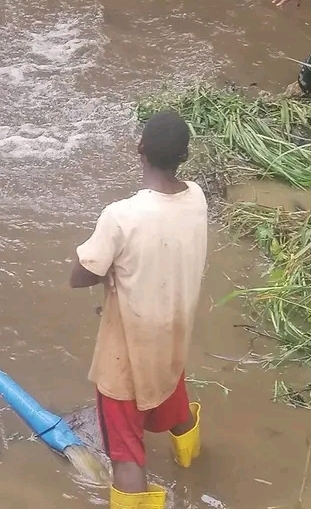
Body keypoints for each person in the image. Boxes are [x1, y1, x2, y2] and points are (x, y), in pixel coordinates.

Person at [71, 111, 208, 509]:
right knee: (173, 402)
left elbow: (80, 275)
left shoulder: (121, 216)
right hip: (172, 338)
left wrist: (107, 266)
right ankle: (194, 464)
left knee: (126, 453)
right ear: (183, 156)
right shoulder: (196, 197)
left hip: (127, 354)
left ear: (140, 150)